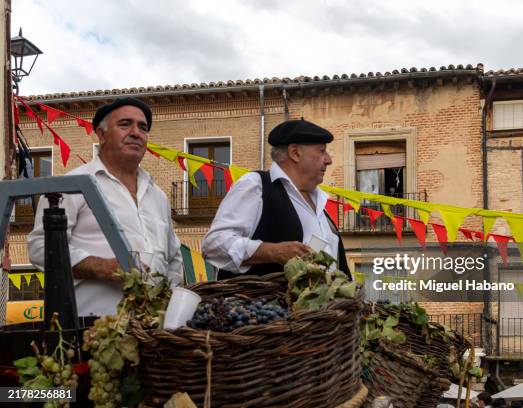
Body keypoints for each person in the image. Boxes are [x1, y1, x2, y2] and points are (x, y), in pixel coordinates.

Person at [28, 97, 183, 317]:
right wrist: (101, 267)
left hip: (152, 331)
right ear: (101, 135)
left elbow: (173, 259)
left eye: (142, 127)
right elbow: (39, 246)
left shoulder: (158, 196)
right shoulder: (72, 185)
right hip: (91, 329)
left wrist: (172, 308)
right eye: (124, 124)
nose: (136, 132)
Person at [202, 119, 351, 280]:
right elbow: (213, 245)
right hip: (262, 303)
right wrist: (271, 251)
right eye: (321, 151)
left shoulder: (321, 205)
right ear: (295, 153)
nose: (328, 160)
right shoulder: (257, 185)